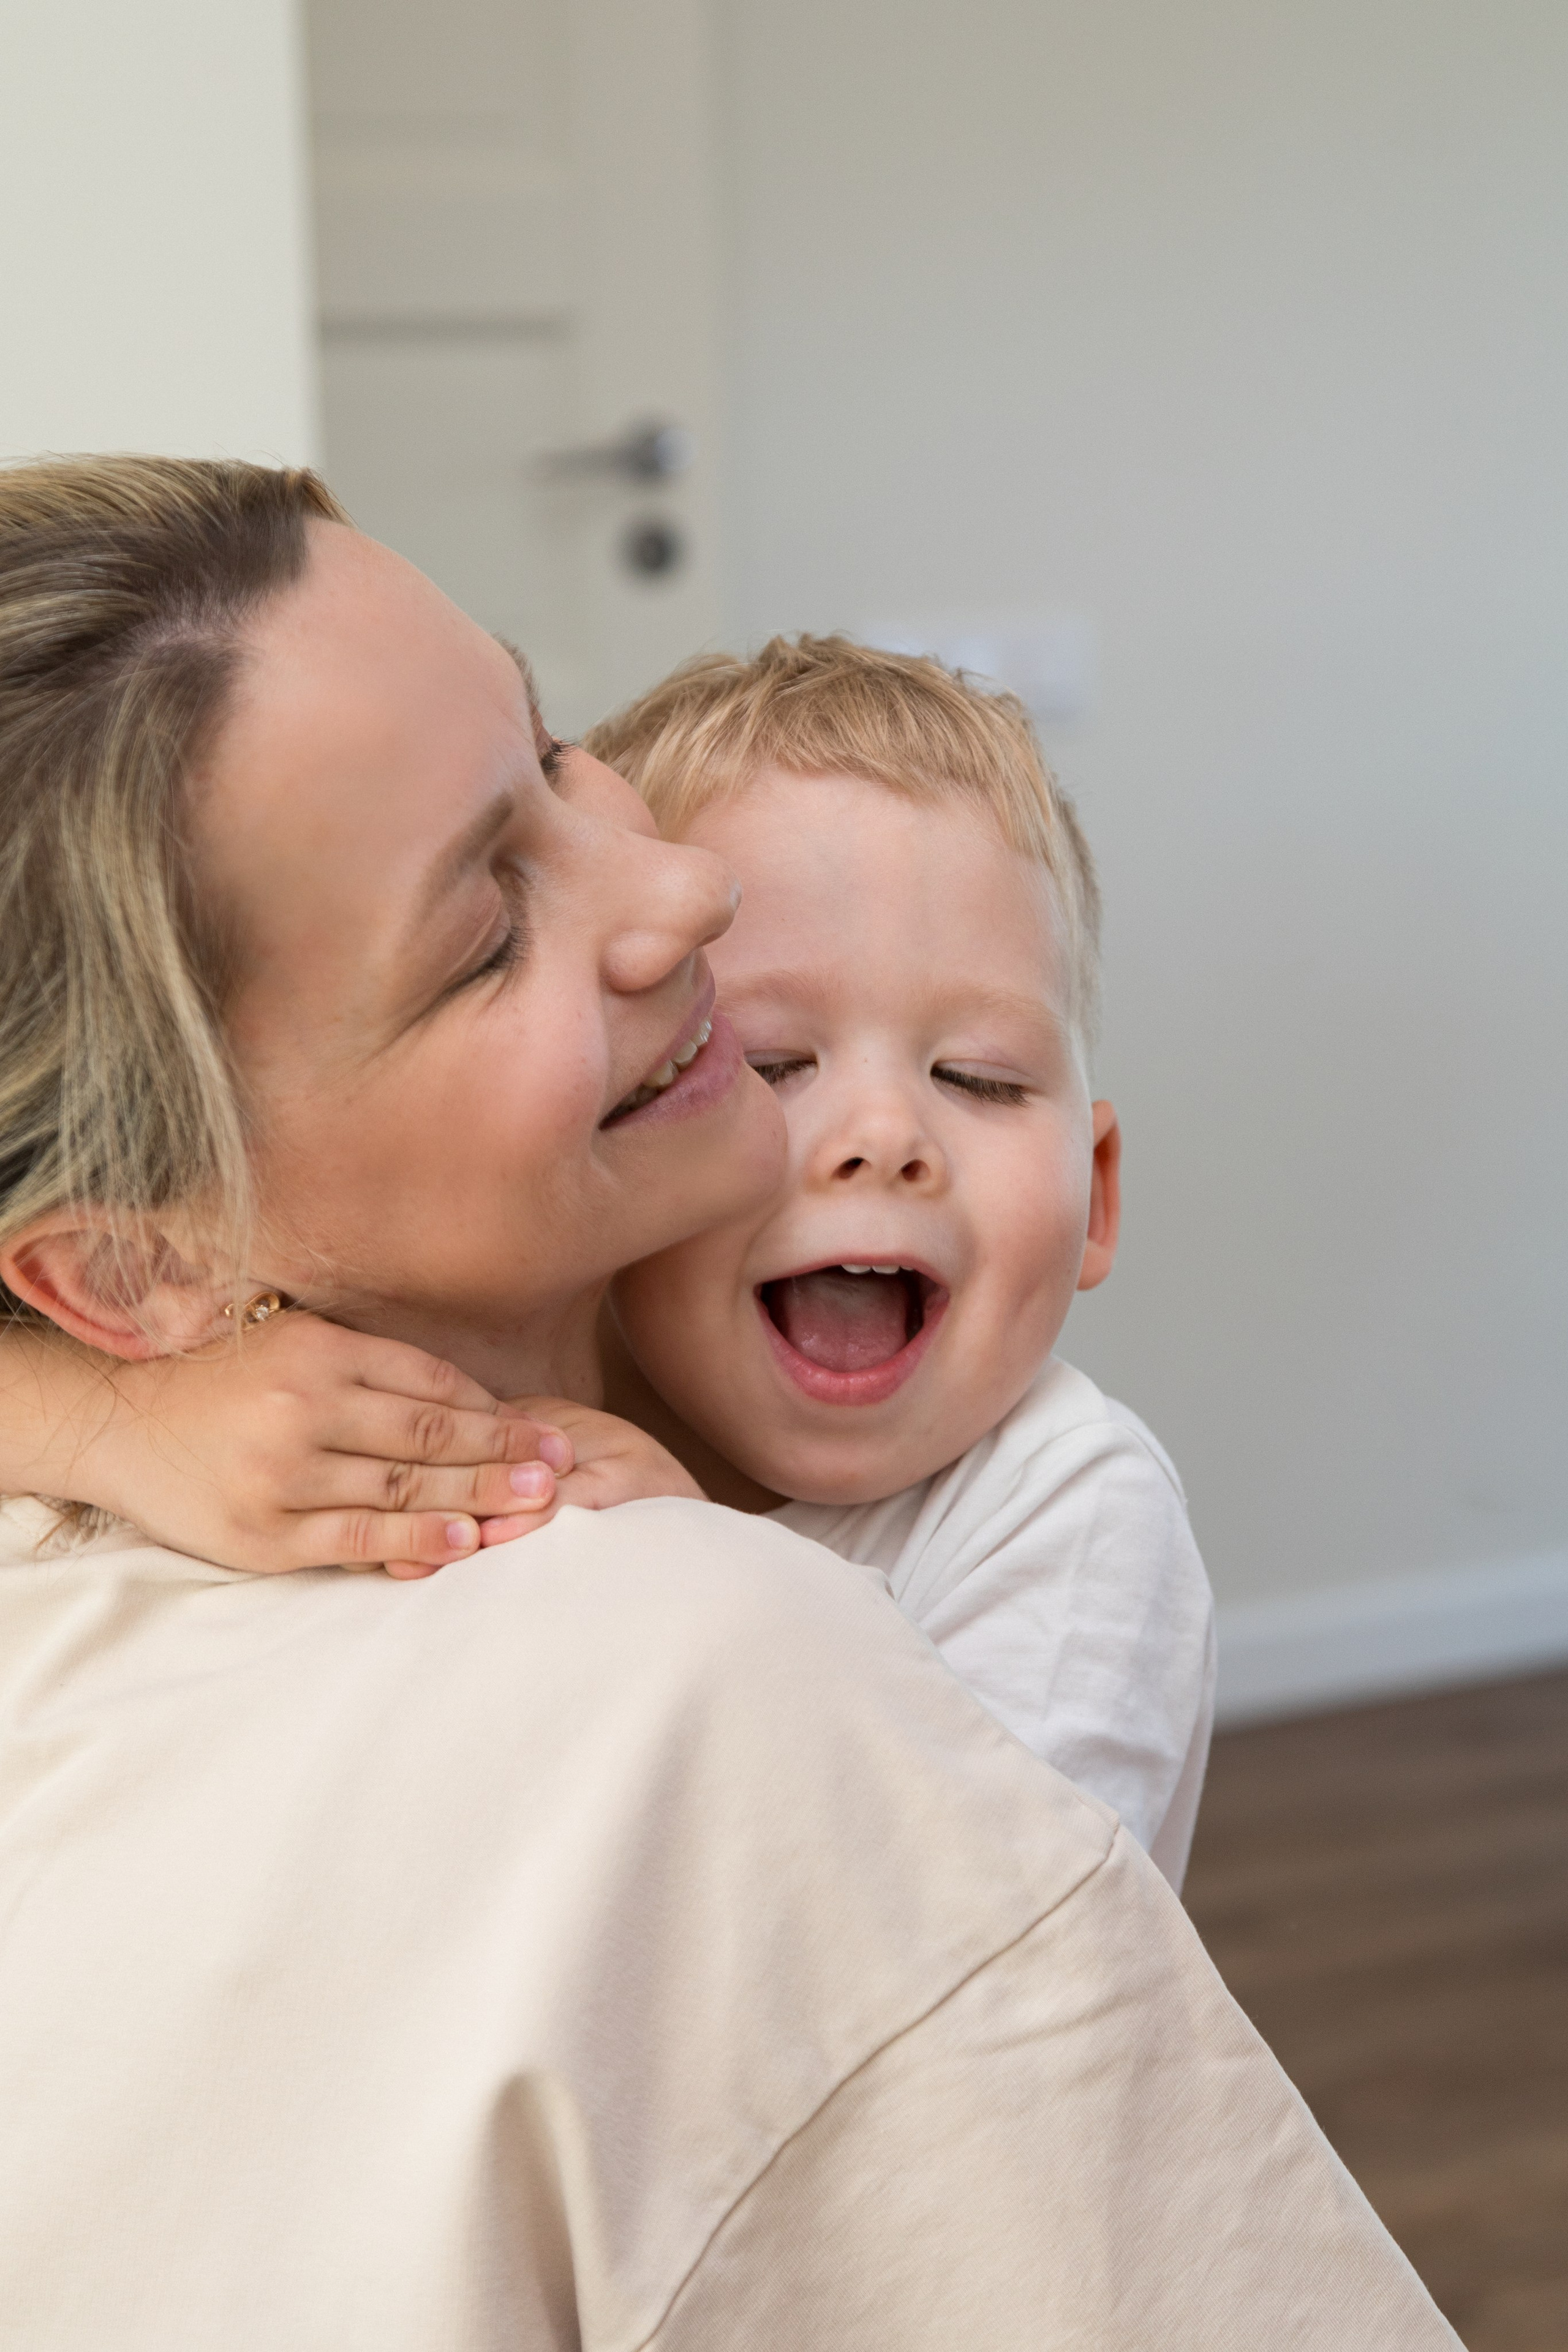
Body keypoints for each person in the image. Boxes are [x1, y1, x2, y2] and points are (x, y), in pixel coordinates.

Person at [0, 454, 1457, 2348]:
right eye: (485, 935)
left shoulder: (987, 1506)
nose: (689, 893)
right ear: (122, 1274)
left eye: (551, 753)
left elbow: (986, 1937)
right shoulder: (675, 1641)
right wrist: (94, 1415)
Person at [0, 637, 1213, 1887]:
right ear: (657, 1100)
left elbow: (990, 1963)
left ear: (1098, 1195)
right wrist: (119, 1422)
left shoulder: (1068, 1511)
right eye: (773, 1063)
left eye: (979, 1079)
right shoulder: (466, 1342)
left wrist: (706, 1580)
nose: (885, 1141)